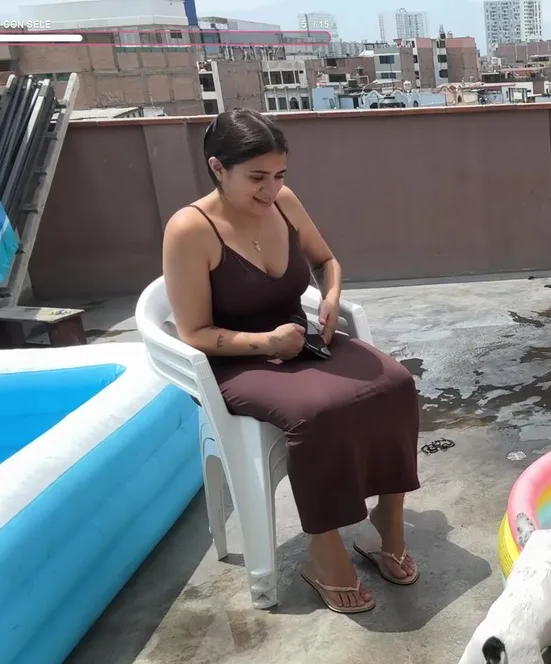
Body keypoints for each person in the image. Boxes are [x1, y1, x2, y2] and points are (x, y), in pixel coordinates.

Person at [161, 108, 421, 614]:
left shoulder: (284, 202)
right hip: (237, 360)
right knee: (316, 413)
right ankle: (323, 551)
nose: (271, 189)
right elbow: (193, 333)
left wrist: (331, 297)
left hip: (299, 340)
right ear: (218, 168)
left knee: (395, 383)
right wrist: (264, 343)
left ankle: (386, 525)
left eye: (279, 175)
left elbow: (326, 260)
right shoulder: (190, 229)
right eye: (257, 177)